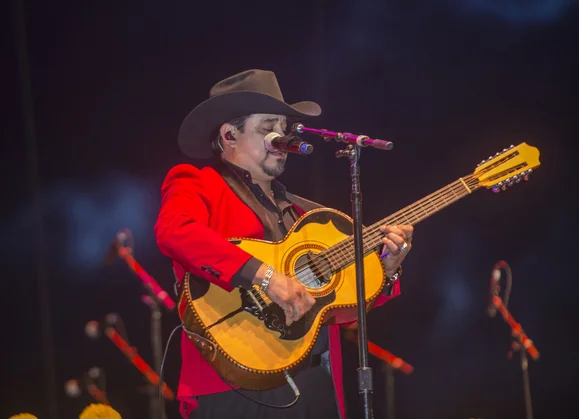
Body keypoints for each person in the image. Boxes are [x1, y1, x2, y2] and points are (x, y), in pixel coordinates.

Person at [154, 69, 414, 419]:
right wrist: (264, 275)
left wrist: (388, 268)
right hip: (234, 385)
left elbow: (346, 310)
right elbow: (175, 230)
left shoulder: (309, 214)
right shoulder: (197, 184)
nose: (281, 135)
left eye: (284, 126)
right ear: (229, 134)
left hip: (314, 384)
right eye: (267, 127)